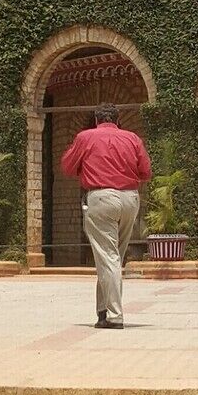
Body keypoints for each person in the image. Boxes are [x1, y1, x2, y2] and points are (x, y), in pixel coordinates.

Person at [59, 107, 151, 328]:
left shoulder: (86, 137)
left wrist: (87, 168)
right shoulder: (132, 138)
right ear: (118, 120)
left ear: (96, 119)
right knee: (112, 258)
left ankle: (114, 315)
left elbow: (67, 167)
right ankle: (102, 311)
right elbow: (145, 172)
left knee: (108, 257)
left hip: (101, 198)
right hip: (130, 198)